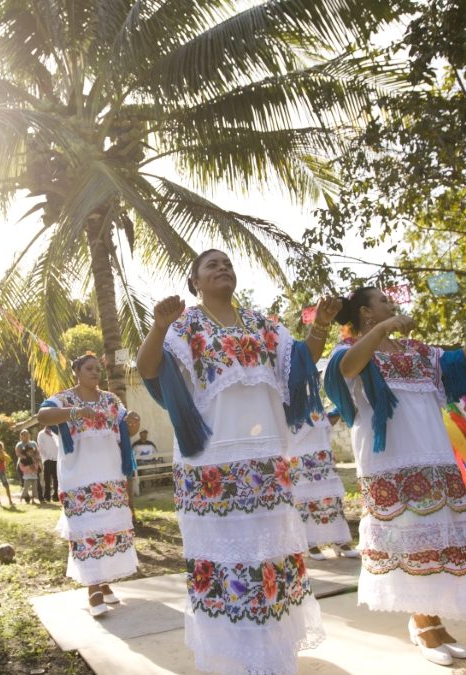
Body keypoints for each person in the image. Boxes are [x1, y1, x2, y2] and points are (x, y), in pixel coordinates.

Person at [137, 248, 339, 675]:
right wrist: (158, 326)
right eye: (212, 265)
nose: (222, 268)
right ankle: (233, 664)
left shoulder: (262, 323)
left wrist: (320, 324)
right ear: (194, 282)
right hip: (211, 465)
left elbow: (301, 363)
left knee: (269, 562)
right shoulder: (185, 325)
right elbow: (148, 368)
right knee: (226, 565)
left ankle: (272, 660)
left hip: (266, 463)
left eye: (227, 263)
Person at [322, 287, 466, 666]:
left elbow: (455, 367)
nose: (391, 305)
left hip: (433, 457)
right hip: (392, 460)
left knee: (439, 538)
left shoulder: (417, 350)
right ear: (365, 314)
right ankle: (422, 621)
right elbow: (346, 370)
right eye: (382, 303)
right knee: (410, 541)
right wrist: (384, 329)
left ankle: (435, 620)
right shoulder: (349, 352)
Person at [37, 353, 141, 617]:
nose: (95, 373)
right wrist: (74, 412)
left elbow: (129, 432)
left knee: (107, 531)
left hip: (110, 474)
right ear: (77, 371)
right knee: (87, 530)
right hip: (79, 477)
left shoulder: (110, 400)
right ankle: (93, 588)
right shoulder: (65, 398)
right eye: (89, 368)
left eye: (98, 369)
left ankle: (104, 583)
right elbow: (43, 416)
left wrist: (134, 424)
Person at [289, 408, 358, 561]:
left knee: (329, 495)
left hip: (315, 419)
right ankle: (310, 543)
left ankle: (339, 540)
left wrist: (338, 408)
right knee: (303, 495)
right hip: (291, 420)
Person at [37, 424, 62, 503]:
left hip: (57, 459)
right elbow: (40, 447)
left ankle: (56, 496)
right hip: (47, 460)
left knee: (57, 479)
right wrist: (46, 457)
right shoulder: (41, 434)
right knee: (47, 480)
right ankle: (47, 496)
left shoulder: (57, 432)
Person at [16, 430, 39, 495]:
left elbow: (37, 452)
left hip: (34, 464)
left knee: (36, 481)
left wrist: (35, 458)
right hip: (23, 465)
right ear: (21, 436)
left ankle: (38, 497)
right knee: (25, 482)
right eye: (24, 435)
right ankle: (26, 497)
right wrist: (26, 457)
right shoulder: (19, 444)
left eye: (27, 434)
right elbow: (18, 453)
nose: (26, 436)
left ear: (29, 435)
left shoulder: (33, 443)